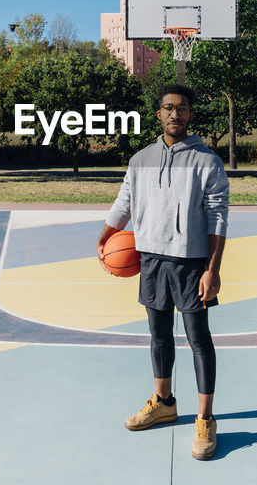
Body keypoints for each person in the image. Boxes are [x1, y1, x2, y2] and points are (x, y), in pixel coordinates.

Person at [97, 83, 229, 460]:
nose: (175, 114)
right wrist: (106, 235)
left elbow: (219, 217)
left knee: (198, 339)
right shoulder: (141, 159)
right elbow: (125, 199)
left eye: (182, 108)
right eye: (168, 108)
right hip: (151, 259)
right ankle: (164, 402)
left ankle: (205, 418)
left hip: (191, 262)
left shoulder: (207, 162)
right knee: (158, 335)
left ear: (190, 114)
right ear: (158, 113)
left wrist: (212, 269)